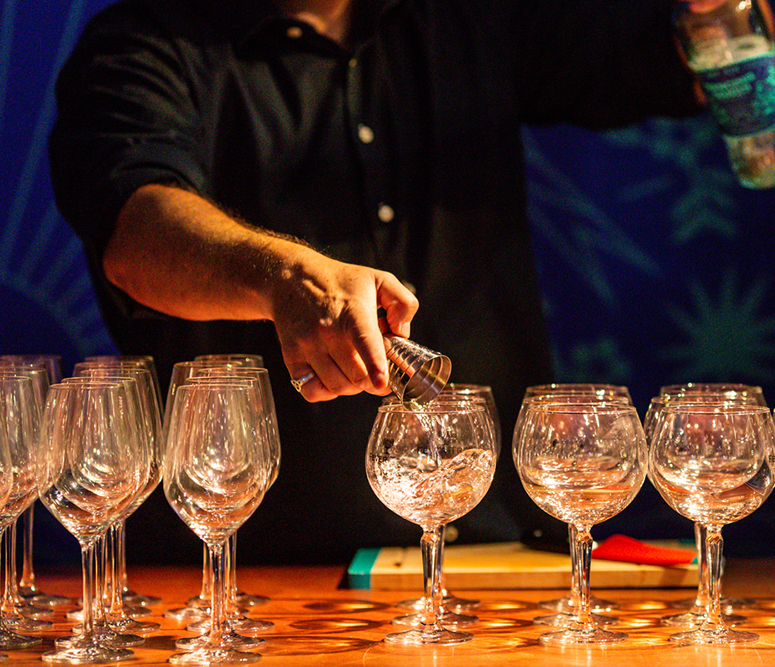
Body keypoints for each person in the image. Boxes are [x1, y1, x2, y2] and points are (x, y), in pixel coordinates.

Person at [48, 0, 705, 564]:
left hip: (488, 555)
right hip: (252, 574)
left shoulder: (468, 15)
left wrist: (721, 27)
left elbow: (692, 60)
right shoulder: (144, 39)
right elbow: (137, 235)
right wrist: (284, 278)